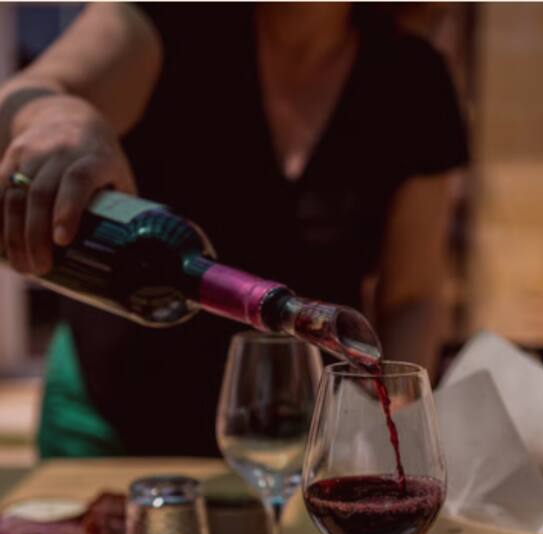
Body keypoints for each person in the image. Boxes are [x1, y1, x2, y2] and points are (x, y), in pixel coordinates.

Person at [0, 3, 468, 457]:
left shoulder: (412, 81)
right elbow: (29, 93)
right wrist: (56, 117)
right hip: (108, 415)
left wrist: (392, 409)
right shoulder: (167, 19)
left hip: (297, 440)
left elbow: (412, 297)